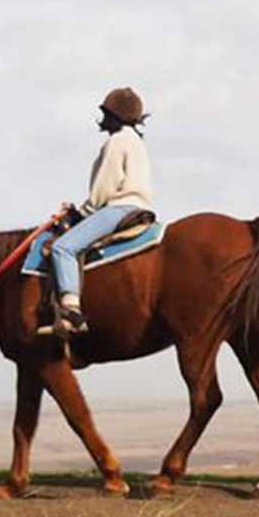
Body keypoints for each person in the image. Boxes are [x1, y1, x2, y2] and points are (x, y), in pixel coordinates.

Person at [46, 87, 154, 335]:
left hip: (119, 206)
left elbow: (104, 188)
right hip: (142, 207)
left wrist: (79, 213)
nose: (102, 118)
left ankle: (71, 310)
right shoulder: (136, 142)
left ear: (114, 115)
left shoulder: (117, 142)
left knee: (63, 247)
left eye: (105, 113)